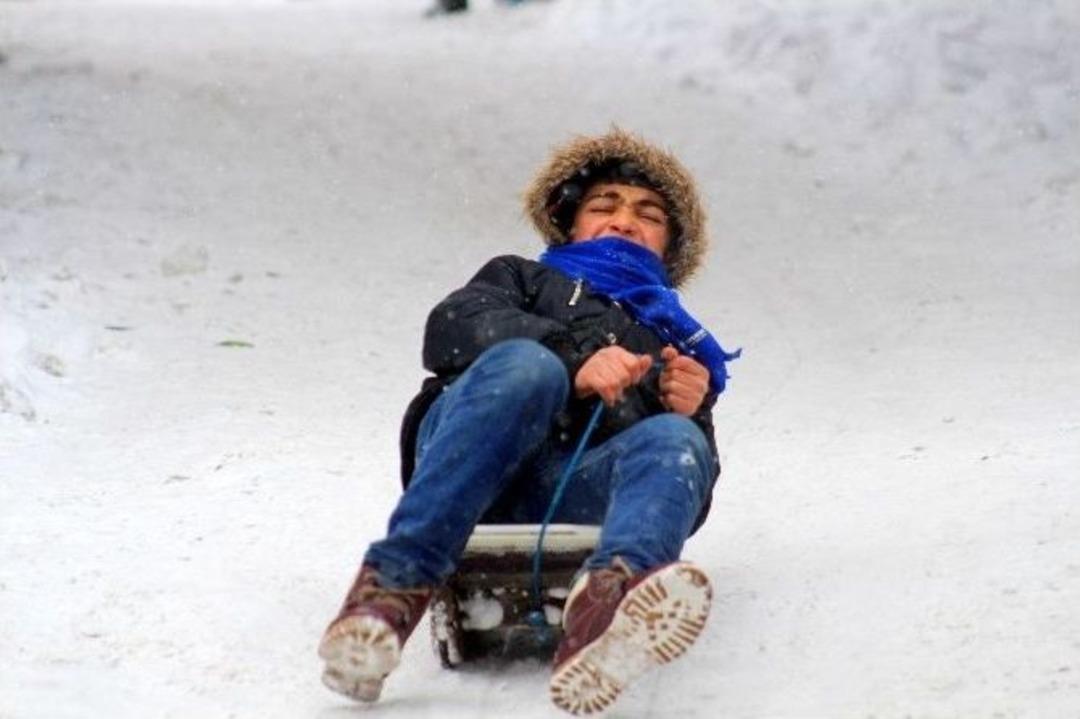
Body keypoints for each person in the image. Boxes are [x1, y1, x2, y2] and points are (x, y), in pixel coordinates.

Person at [317, 128, 739, 715]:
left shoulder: (674, 344)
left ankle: (609, 608)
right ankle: (388, 594)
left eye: (648, 214)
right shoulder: (520, 277)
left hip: (573, 486)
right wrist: (574, 362)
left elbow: (691, 492)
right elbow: (453, 327)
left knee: (675, 442)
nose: (624, 220)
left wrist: (689, 412)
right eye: (603, 205)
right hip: (473, 458)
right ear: (570, 224)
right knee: (528, 367)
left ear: (669, 246)